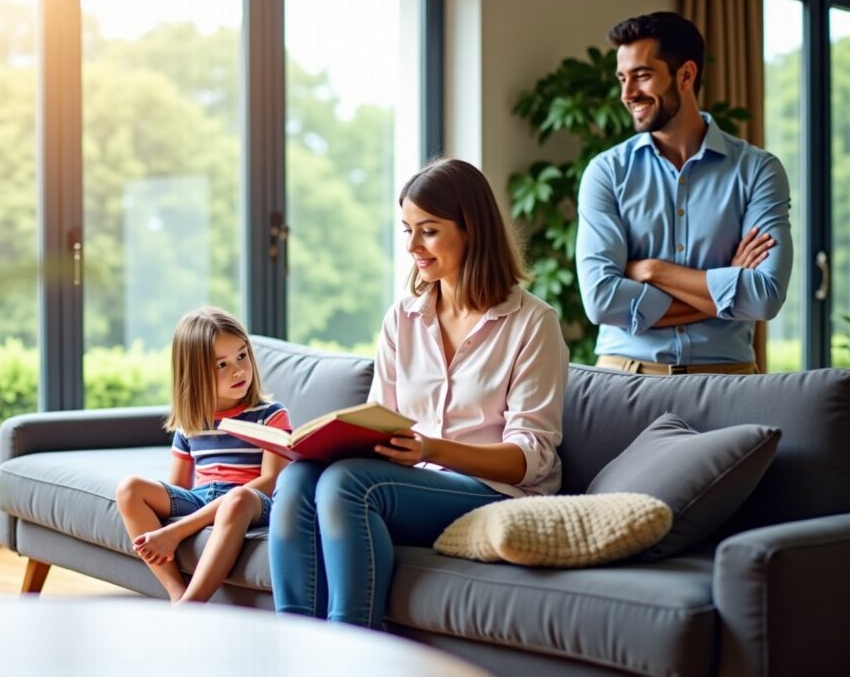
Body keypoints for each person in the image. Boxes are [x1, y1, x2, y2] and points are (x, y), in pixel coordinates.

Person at [268, 158, 568, 629]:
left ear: (472, 230)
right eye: (407, 229)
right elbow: (380, 417)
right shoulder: (402, 319)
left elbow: (531, 459)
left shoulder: (533, 323)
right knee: (299, 476)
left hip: (495, 491)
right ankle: (298, 646)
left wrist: (430, 448)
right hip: (410, 483)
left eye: (427, 231)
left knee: (349, 484)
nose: (412, 246)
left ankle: (355, 650)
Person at [576, 11, 792, 375]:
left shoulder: (757, 171)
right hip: (626, 377)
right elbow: (601, 301)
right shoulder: (606, 172)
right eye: (622, 79)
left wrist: (651, 270)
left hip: (727, 379)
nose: (628, 94)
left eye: (642, 76)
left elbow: (765, 296)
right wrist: (727, 281)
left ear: (686, 75)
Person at [116, 307, 291, 603]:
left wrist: (177, 531)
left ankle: (192, 605)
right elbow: (178, 489)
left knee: (236, 499)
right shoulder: (191, 423)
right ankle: (176, 592)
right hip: (200, 497)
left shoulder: (271, 415)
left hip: (252, 503)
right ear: (195, 374)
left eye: (242, 356)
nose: (238, 370)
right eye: (221, 365)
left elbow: (271, 481)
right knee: (129, 488)